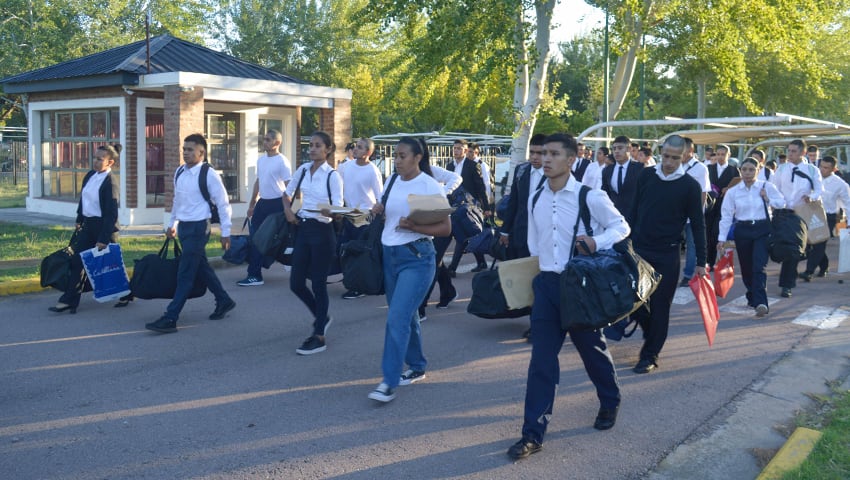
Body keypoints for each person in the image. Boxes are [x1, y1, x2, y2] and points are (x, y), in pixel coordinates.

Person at [506, 133, 629, 460]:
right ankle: (533, 433)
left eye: (553, 154)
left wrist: (596, 242)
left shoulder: (590, 196)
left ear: (571, 160)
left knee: (592, 351)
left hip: (580, 286)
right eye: (543, 153)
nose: (545, 159)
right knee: (541, 361)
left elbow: (621, 227)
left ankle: (610, 399)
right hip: (547, 285)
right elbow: (534, 245)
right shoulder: (535, 198)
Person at [367, 137, 451, 403]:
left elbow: (445, 229)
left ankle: (388, 381)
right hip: (389, 256)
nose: (397, 160)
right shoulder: (392, 181)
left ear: (418, 157)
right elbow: (388, 217)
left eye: (403, 156)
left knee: (397, 318)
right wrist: (377, 211)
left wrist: (414, 227)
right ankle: (416, 365)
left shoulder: (427, 185)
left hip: (417, 258)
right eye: (395, 155)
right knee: (407, 315)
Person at [628, 135, 706, 374]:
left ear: (684, 156)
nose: (669, 162)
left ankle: (650, 355)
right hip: (639, 250)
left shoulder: (690, 186)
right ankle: (653, 333)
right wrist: (624, 241)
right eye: (666, 156)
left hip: (667, 254)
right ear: (661, 152)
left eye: (675, 158)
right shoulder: (646, 176)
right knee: (634, 303)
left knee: (661, 306)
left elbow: (697, 224)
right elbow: (633, 210)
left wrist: (701, 261)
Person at [146, 134, 236, 333]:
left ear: (201, 152)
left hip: (199, 228)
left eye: (189, 149)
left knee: (185, 273)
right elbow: (178, 201)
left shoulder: (209, 174)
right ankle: (224, 300)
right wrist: (172, 224)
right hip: (185, 227)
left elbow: (223, 203)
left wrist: (225, 232)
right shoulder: (180, 172)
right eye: (184, 149)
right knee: (202, 267)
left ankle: (171, 317)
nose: (185, 153)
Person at [282, 131, 344, 355]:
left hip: (323, 231)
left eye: (318, 146)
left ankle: (319, 335)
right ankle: (322, 316)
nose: (313, 149)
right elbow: (286, 194)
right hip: (303, 229)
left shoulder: (332, 176)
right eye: (311, 145)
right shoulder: (302, 170)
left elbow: (337, 208)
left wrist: (332, 211)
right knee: (296, 283)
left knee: (318, 283)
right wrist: (288, 210)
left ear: (328, 149)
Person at [48, 144, 121, 314]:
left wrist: (103, 238)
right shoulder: (90, 175)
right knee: (77, 261)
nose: (95, 161)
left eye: (99, 159)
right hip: (89, 226)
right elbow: (84, 199)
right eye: (94, 158)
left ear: (110, 162)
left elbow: (111, 213)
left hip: (104, 228)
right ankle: (69, 301)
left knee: (112, 264)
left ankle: (129, 293)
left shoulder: (110, 183)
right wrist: (79, 219)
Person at [717, 158, 786, 317]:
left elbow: (782, 203)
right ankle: (752, 295)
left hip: (762, 229)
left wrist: (768, 199)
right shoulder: (733, 191)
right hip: (743, 230)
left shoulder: (766, 186)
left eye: (751, 170)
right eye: (744, 170)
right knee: (747, 268)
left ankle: (761, 302)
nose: (747, 173)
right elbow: (726, 216)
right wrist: (721, 239)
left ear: (758, 169)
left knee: (758, 266)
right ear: (740, 171)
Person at [499, 133, 546, 340]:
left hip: (544, 237)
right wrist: (504, 231)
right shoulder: (521, 170)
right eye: (532, 152)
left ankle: (538, 323)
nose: (535, 157)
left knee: (540, 280)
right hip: (520, 233)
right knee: (526, 279)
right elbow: (513, 203)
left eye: (540, 153)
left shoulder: (554, 173)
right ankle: (532, 318)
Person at [238, 130, 292, 287]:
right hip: (263, 203)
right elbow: (258, 181)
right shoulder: (261, 160)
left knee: (273, 240)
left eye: (268, 140)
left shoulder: (282, 161)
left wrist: (287, 208)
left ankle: (257, 273)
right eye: (264, 139)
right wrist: (252, 204)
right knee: (256, 238)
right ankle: (255, 274)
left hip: (277, 204)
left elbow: (289, 186)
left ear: (277, 143)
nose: (265, 142)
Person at [770, 139, 823, 298]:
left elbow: (819, 189)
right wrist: (775, 202)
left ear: (803, 153)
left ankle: (787, 285)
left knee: (793, 251)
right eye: (789, 151)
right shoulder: (781, 169)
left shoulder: (812, 170)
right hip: (781, 212)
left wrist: (812, 197)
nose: (790, 154)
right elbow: (774, 189)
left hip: (800, 215)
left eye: (793, 151)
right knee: (776, 248)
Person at [340, 137, 384, 300]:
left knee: (359, 252)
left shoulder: (372, 171)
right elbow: (339, 187)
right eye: (355, 146)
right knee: (346, 249)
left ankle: (358, 287)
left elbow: (380, 196)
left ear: (368, 152)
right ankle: (351, 281)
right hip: (349, 214)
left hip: (365, 217)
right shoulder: (346, 167)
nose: (355, 149)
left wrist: (376, 211)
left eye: (359, 147)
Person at [418, 160, 462, 321]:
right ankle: (448, 292)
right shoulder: (404, 175)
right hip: (422, 223)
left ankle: (420, 307)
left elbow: (456, 178)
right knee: (436, 261)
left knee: (431, 264)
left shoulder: (431, 170)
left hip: (441, 221)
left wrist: (442, 192)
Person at [800, 156, 849, 279]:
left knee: (819, 243)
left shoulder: (840, 184)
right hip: (810, 213)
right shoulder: (812, 178)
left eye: (826, 168)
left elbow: (848, 203)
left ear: (833, 169)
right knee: (810, 243)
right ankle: (824, 265)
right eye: (821, 166)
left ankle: (809, 271)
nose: (822, 169)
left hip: (828, 216)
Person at [446, 139, 488, 274]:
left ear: (465, 151)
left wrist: (487, 207)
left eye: (459, 148)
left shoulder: (472, 165)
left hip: (470, 207)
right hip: (454, 206)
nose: (456, 151)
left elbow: (481, 188)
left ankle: (452, 268)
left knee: (462, 236)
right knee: (467, 235)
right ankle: (481, 262)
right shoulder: (449, 167)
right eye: (454, 148)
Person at [679, 137, 711, 287]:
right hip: (676, 213)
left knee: (692, 245)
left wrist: (697, 213)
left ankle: (687, 274)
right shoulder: (675, 165)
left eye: (682, 149)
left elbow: (703, 193)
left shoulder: (700, 168)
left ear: (690, 151)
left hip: (692, 215)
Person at [705, 144, 740, 268]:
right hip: (710, 204)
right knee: (708, 232)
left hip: (725, 204)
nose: (720, 157)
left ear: (728, 155)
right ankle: (708, 260)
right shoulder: (709, 168)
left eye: (723, 154)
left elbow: (738, 187)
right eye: (718, 154)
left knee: (717, 232)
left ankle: (717, 260)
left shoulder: (734, 170)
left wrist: (728, 190)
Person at [601, 135, 644, 216]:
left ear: (629, 149)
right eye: (614, 149)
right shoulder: (607, 170)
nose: (616, 151)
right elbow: (605, 193)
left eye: (620, 148)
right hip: (613, 216)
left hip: (634, 216)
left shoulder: (640, 169)